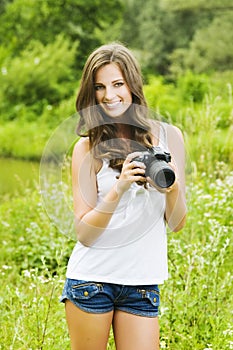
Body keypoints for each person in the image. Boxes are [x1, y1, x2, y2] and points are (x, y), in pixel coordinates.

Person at [60, 42, 186, 350]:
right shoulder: (87, 148)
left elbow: (178, 223)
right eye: (100, 87)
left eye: (118, 84)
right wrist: (119, 188)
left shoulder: (170, 137)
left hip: (142, 284)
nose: (109, 95)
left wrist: (172, 189)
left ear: (133, 84)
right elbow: (84, 233)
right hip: (92, 281)